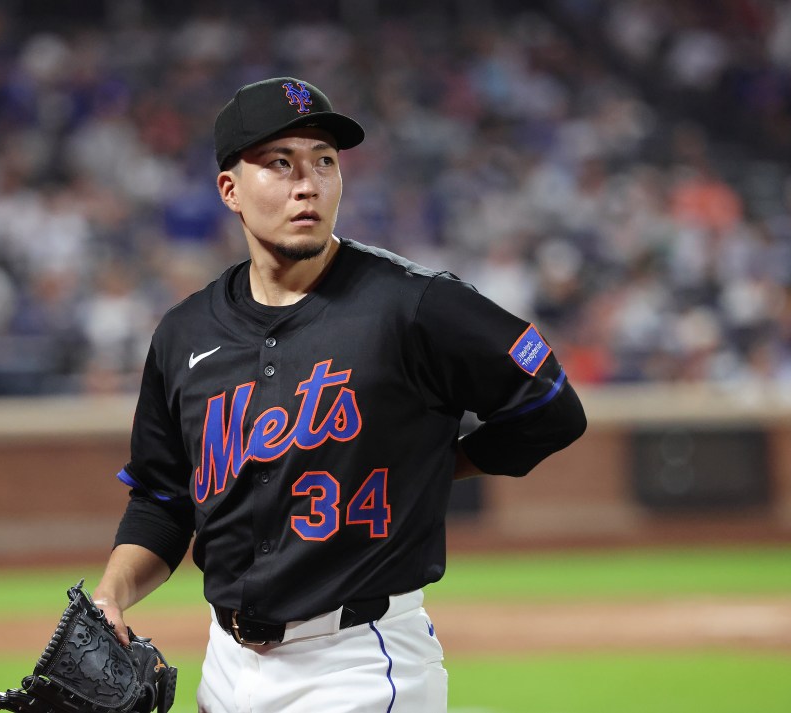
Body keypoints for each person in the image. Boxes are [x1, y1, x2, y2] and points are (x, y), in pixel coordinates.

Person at [91, 77, 587, 712]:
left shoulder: (415, 304)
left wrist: (442, 463)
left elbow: (550, 406)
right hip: (226, 667)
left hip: (359, 661)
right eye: (280, 163)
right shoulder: (184, 333)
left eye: (324, 161)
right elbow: (163, 499)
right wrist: (111, 596)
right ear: (230, 190)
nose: (308, 184)